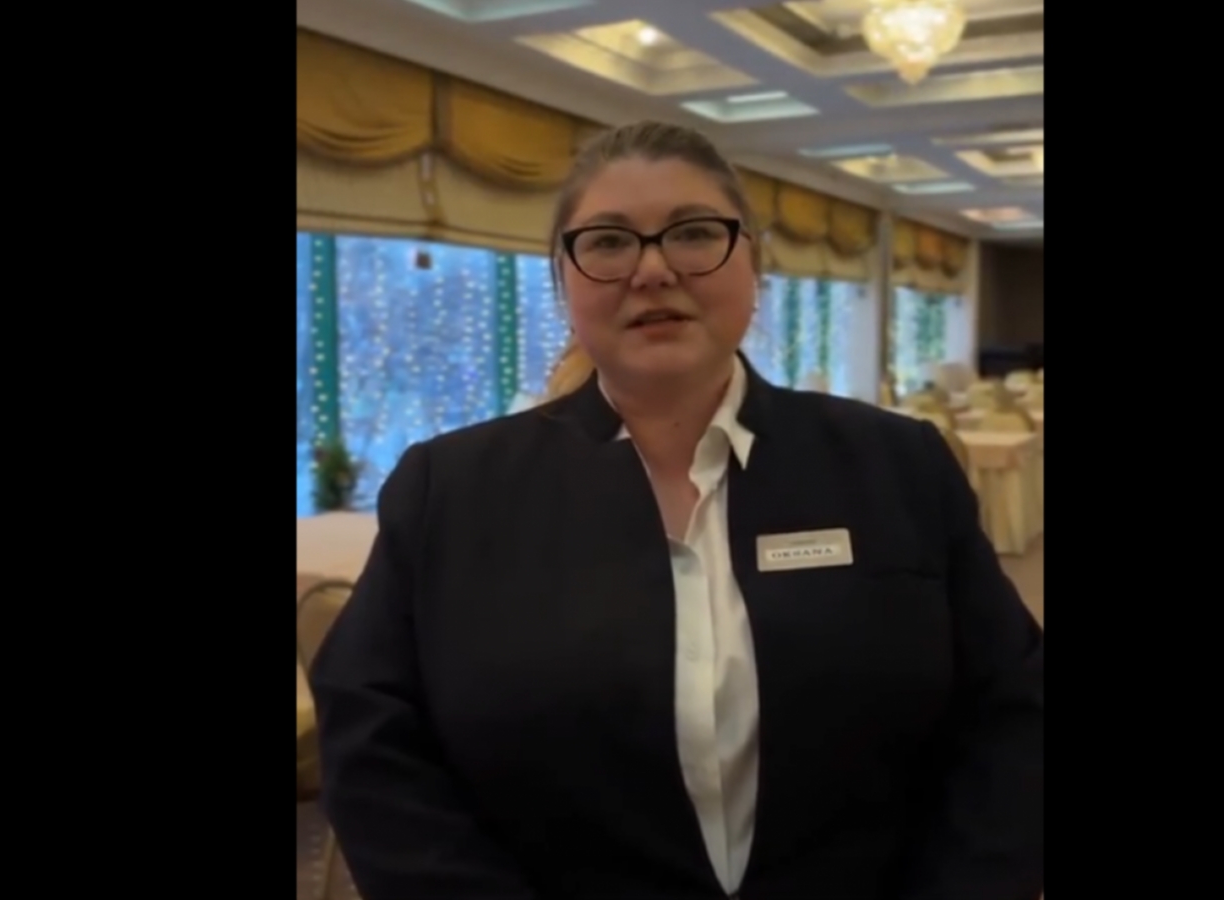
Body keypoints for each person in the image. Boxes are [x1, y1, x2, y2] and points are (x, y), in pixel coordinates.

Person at [310, 120, 1044, 900]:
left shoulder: (897, 465)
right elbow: (371, 740)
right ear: (563, 281)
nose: (654, 269)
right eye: (608, 241)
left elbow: (1015, 709)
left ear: (753, 261)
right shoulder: (450, 489)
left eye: (694, 233)